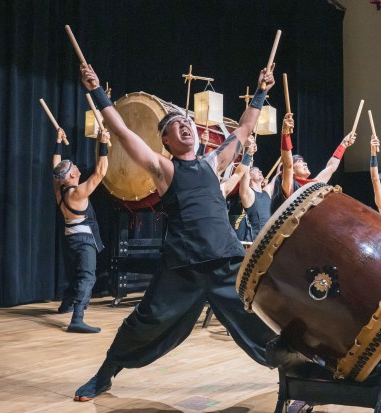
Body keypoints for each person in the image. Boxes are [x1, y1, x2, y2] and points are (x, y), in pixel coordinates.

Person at [74, 62, 277, 401]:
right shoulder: (163, 168)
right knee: (145, 321)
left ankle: (297, 371)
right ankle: (105, 374)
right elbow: (123, 131)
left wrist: (261, 92)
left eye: (187, 123)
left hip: (225, 259)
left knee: (260, 319)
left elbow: (242, 129)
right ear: (165, 141)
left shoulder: (214, 164)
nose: (184, 127)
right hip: (182, 265)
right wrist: (95, 90)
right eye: (174, 126)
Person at [52, 127, 109, 333]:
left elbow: (55, 166)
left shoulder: (59, 189)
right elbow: (100, 173)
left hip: (70, 238)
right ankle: (77, 319)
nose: (76, 167)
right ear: (74, 174)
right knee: (87, 277)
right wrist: (103, 144)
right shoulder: (77, 193)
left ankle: (66, 305)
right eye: (75, 166)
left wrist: (58, 141)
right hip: (84, 239)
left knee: (77, 274)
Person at [271, 113, 356, 213]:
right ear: (292, 172)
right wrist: (285, 133)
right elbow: (288, 165)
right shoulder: (290, 187)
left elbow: (331, 167)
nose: (305, 163)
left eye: (303, 161)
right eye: (299, 162)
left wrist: (344, 144)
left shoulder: (314, 184)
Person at [238, 141, 277, 241]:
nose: (260, 171)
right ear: (249, 176)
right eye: (255, 170)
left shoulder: (266, 192)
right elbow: (244, 173)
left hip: (271, 237)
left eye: (259, 170)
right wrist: (248, 153)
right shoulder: (248, 194)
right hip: (257, 241)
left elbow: (277, 177)